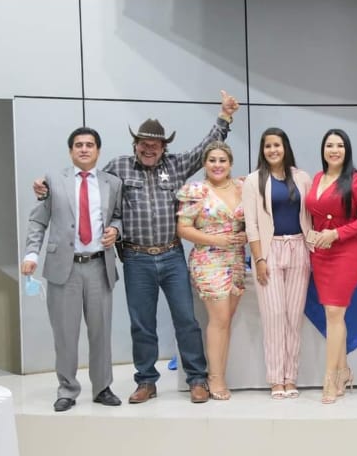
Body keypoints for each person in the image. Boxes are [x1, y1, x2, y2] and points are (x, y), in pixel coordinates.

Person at [32, 90, 240, 403]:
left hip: (171, 255)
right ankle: (146, 381)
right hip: (136, 259)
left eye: (155, 145)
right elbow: (87, 182)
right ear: (135, 145)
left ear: (164, 147)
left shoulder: (176, 165)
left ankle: (197, 379)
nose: (149, 149)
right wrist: (46, 186)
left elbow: (204, 149)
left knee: (186, 319)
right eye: (143, 143)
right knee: (142, 324)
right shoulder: (118, 167)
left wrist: (225, 116)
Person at [21, 127, 123, 411]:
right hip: (64, 268)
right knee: (65, 334)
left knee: (101, 332)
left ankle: (102, 387)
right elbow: (38, 220)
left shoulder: (112, 183)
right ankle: (67, 389)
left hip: (99, 266)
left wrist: (115, 229)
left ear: (98, 150)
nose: (84, 149)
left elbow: (118, 216)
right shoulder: (52, 180)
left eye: (90, 144)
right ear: (70, 151)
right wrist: (31, 253)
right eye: (78, 145)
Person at [306, 129, 357, 403]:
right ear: (323, 150)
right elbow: (314, 215)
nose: (334, 150)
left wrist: (336, 233)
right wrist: (313, 234)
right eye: (329, 145)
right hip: (321, 252)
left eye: (339, 145)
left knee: (335, 312)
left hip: (348, 251)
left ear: (347, 150)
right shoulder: (317, 178)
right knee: (333, 314)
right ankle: (343, 371)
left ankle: (329, 379)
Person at [242, 128, 313, 398]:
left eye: (277, 145)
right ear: (263, 150)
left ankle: (290, 377)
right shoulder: (253, 181)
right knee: (274, 317)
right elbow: (251, 225)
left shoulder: (302, 177)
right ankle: (275, 379)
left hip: (298, 248)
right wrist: (259, 258)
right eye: (268, 146)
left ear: (285, 148)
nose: (273, 150)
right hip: (269, 251)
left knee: (293, 318)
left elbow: (311, 217)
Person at [176, 142, 246, 401]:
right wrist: (217, 240)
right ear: (205, 163)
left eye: (222, 160)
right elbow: (183, 228)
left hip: (236, 259)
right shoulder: (196, 190)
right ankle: (215, 378)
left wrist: (245, 235)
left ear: (230, 163)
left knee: (226, 320)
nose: (217, 165)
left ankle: (220, 373)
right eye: (212, 160)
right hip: (208, 259)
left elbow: (251, 221)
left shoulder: (241, 187)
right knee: (218, 319)